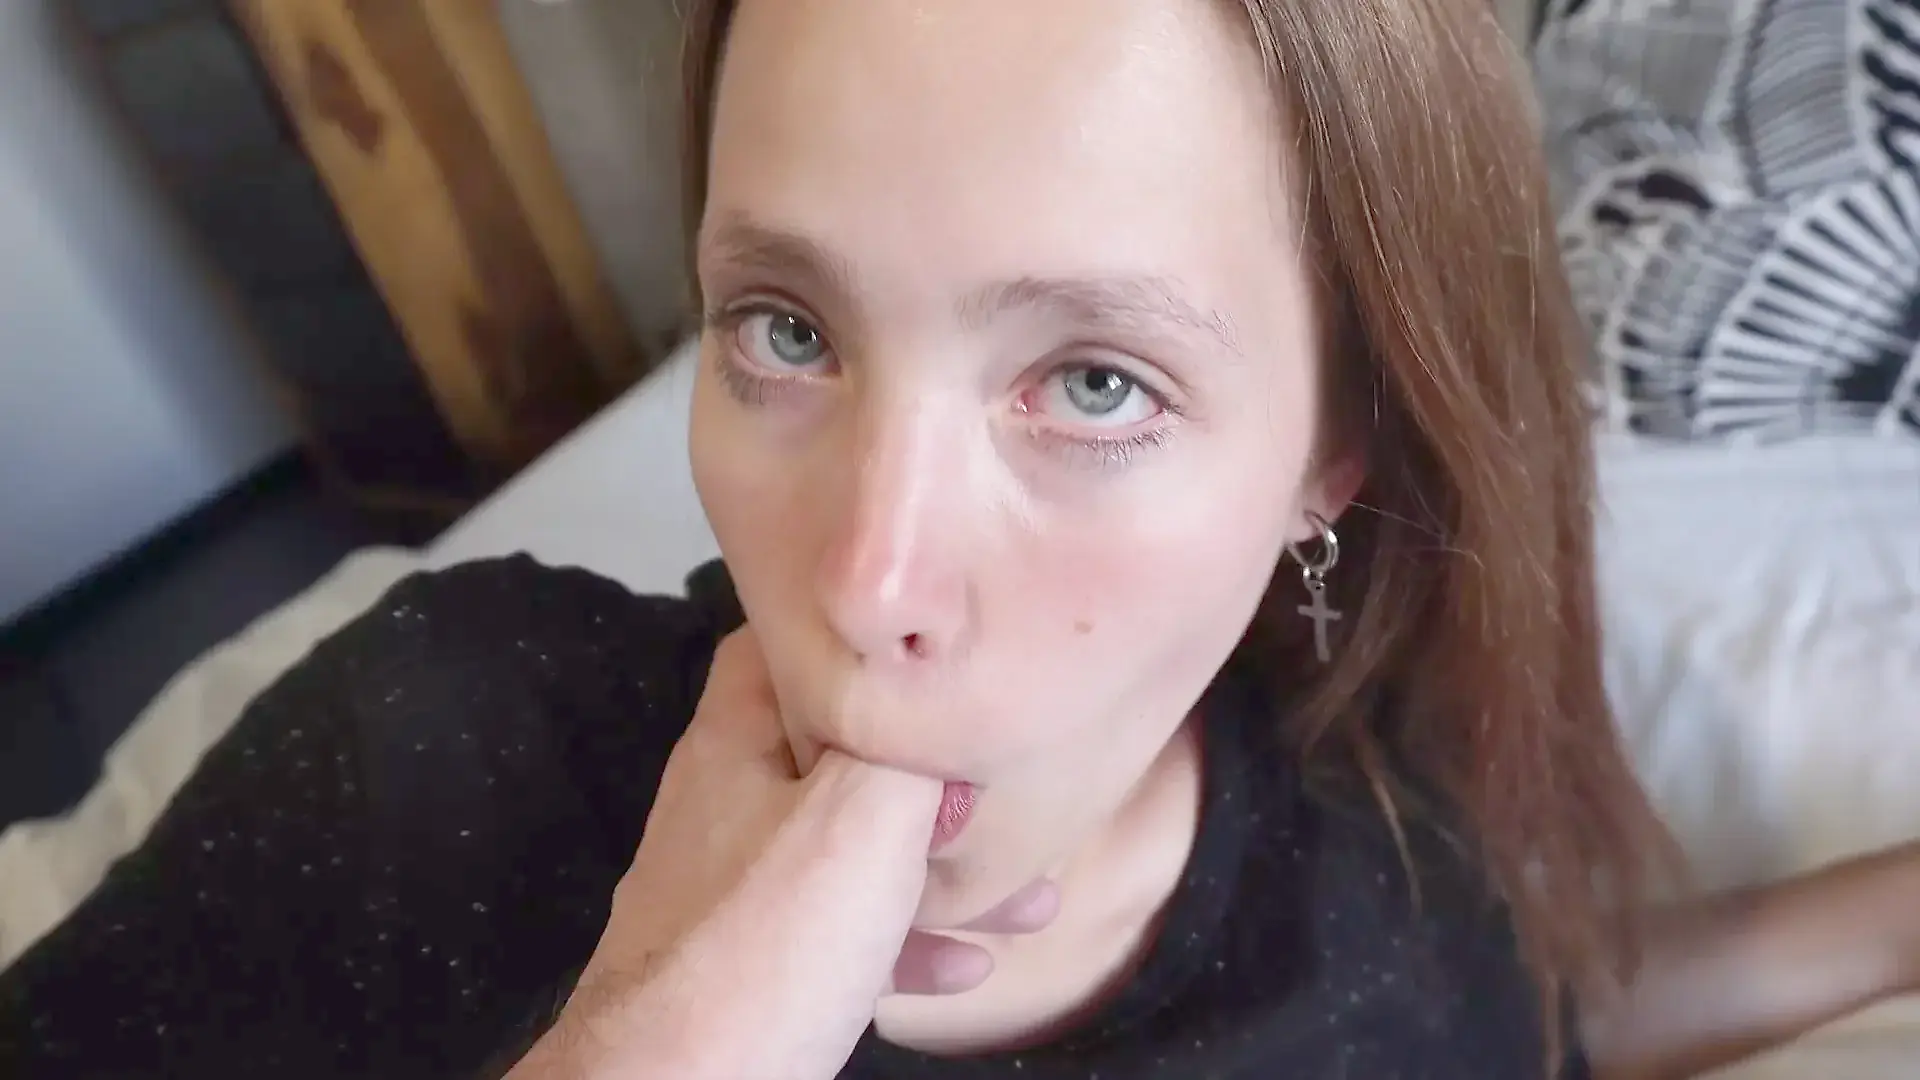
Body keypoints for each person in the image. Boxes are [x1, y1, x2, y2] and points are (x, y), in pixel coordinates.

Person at [3, 1, 1918, 1077]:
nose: (867, 585)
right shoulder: (424, 762)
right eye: (787, 330)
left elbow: (1535, 1021)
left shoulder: (1375, 868)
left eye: (1093, 381)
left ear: (1326, 462)